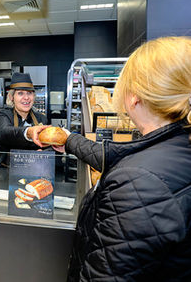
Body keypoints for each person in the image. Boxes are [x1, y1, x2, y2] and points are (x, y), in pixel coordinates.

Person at [42, 36, 191, 281]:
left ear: (134, 97)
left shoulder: (138, 182)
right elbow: (116, 155)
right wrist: (69, 140)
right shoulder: (177, 143)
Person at [0, 72, 50, 167]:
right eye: (20, 93)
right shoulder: (3, 115)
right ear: (12, 97)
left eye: (29, 93)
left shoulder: (41, 118)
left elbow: (49, 144)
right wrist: (29, 132)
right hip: (6, 170)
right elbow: (4, 132)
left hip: (34, 168)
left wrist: (45, 152)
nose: (26, 98)